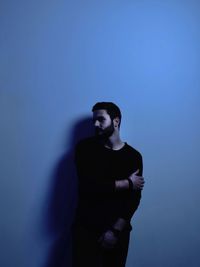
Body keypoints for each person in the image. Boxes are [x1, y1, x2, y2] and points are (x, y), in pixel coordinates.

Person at [71, 102, 145, 267]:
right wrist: (127, 183)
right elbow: (88, 187)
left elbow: (134, 199)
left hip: (118, 234)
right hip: (86, 230)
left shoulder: (133, 156)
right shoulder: (85, 149)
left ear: (116, 121)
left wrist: (114, 231)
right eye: (94, 120)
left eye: (100, 119)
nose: (96, 124)